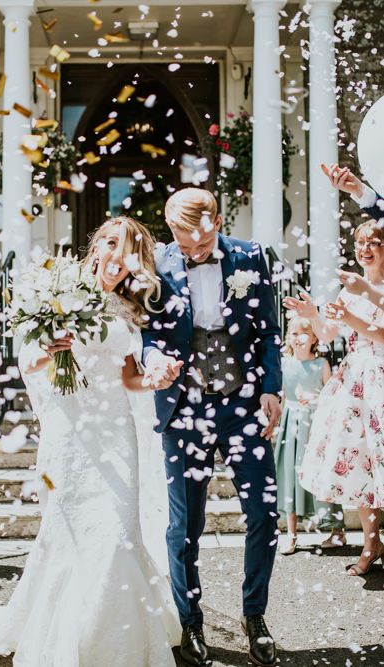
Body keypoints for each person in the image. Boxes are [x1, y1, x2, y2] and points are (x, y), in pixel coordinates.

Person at [0, 216, 182, 666]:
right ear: (96, 247)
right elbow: (28, 362)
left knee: (120, 532)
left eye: (129, 251)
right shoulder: (57, 293)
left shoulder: (127, 311)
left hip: (117, 430)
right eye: (110, 243)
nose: (117, 257)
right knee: (72, 533)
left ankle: (117, 639)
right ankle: (71, 638)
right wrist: (50, 349)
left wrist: (156, 380)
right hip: (72, 429)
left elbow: (128, 379)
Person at [143, 188, 282, 667]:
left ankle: (255, 614)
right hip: (184, 408)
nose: (192, 252)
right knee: (185, 526)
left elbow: (268, 330)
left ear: (218, 220)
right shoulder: (155, 262)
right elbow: (146, 331)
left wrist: (271, 387)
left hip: (243, 405)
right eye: (183, 244)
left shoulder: (252, 256)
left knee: (264, 515)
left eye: (200, 244)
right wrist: (152, 357)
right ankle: (190, 621)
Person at [285, 219, 384, 576]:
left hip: (381, 377)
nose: (366, 248)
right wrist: (312, 315)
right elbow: (328, 335)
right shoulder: (350, 291)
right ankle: (371, 543)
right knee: (360, 461)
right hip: (355, 382)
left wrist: (355, 319)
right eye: (360, 241)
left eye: (374, 241)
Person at [274, 317, 344, 555]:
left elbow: (332, 396)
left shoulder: (321, 364)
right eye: (293, 333)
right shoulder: (284, 364)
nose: (298, 337)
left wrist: (315, 400)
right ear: (288, 338)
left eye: (304, 333)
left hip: (315, 425)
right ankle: (291, 534)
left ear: (315, 338)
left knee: (323, 474)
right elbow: (282, 398)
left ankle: (337, 531)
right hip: (291, 425)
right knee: (290, 477)